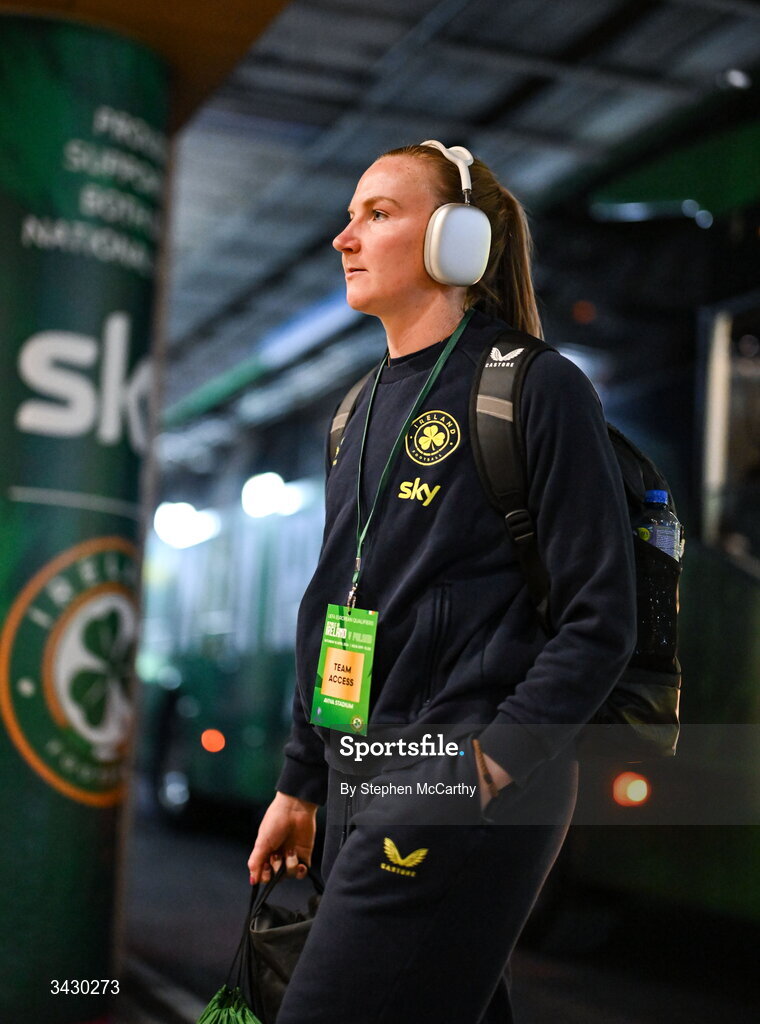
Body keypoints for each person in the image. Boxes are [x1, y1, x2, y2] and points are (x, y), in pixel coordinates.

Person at [247, 141, 636, 1024]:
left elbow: (598, 619)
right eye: (353, 214)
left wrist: (482, 771)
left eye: (377, 214)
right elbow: (335, 604)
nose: (344, 237)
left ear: (456, 241)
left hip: (454, 776)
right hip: (361, 776)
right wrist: (302, 780)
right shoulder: (357, 408)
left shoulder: (534, 388)